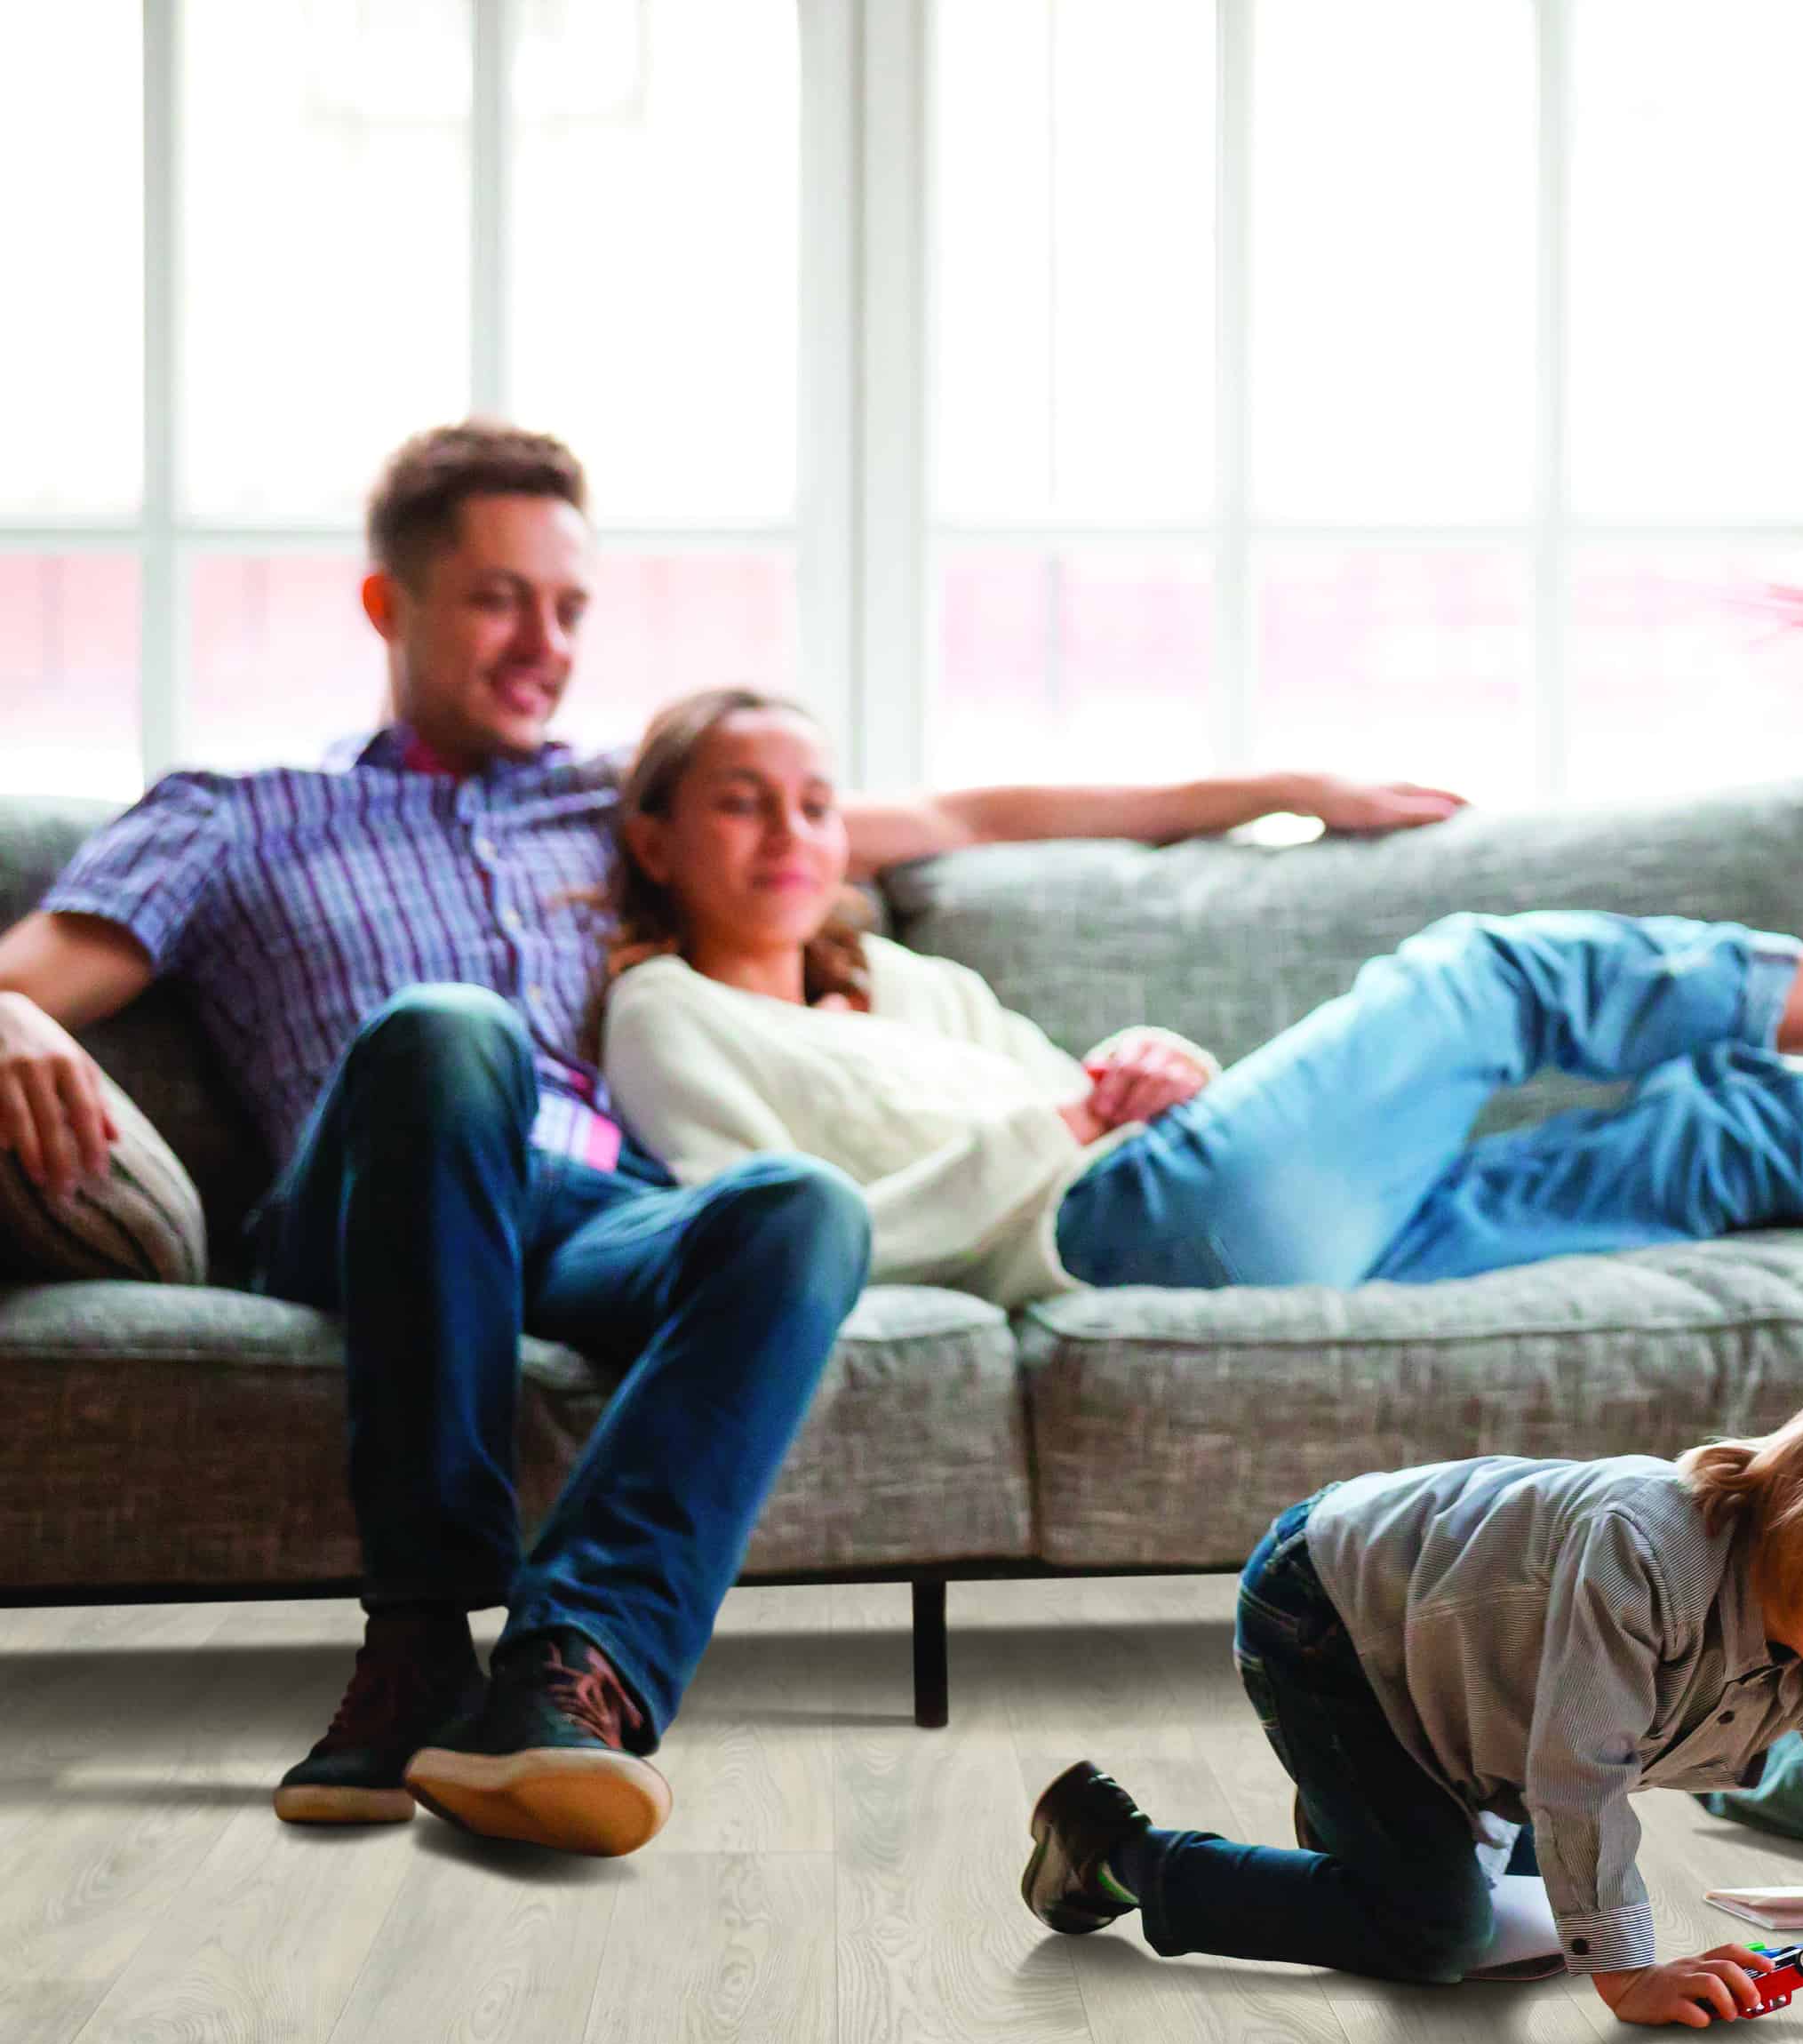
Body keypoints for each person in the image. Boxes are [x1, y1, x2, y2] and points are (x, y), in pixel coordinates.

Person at [0, 420, 1458, 1851]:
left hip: (586, 1209)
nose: (544, 642)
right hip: (371, 1203)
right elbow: (42, 970)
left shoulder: (614, 796)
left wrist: (1281, 790)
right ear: (391, 604)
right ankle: (419, 1636)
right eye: (500, 598)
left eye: (568, 606)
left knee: (798, 1207)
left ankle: (575, 1679)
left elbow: (971, 809)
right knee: (452, 1030)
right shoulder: (238, 815)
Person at [590, 690, 1803, 1302]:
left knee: (1689, 1146)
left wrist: (1141, 1062)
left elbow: (1066, 1078)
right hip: (1124, 1234)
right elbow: (770, 1241)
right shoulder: (666, 1017)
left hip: (1205, 1204)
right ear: (656, 839)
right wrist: (1062, 1121)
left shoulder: (906, 979)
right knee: (1491, 970)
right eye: (744, 800)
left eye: (814, 801)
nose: (795, 832)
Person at [1014, 1371, 1803, 2019]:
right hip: (1334, 1622)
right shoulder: (1644, 1554)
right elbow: (1579, 1772)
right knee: (1439, 1936)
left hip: (1469, 1685)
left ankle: (1379, 1846)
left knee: (1490, 1918)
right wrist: (1628, 1974)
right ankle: (1119, 1856)